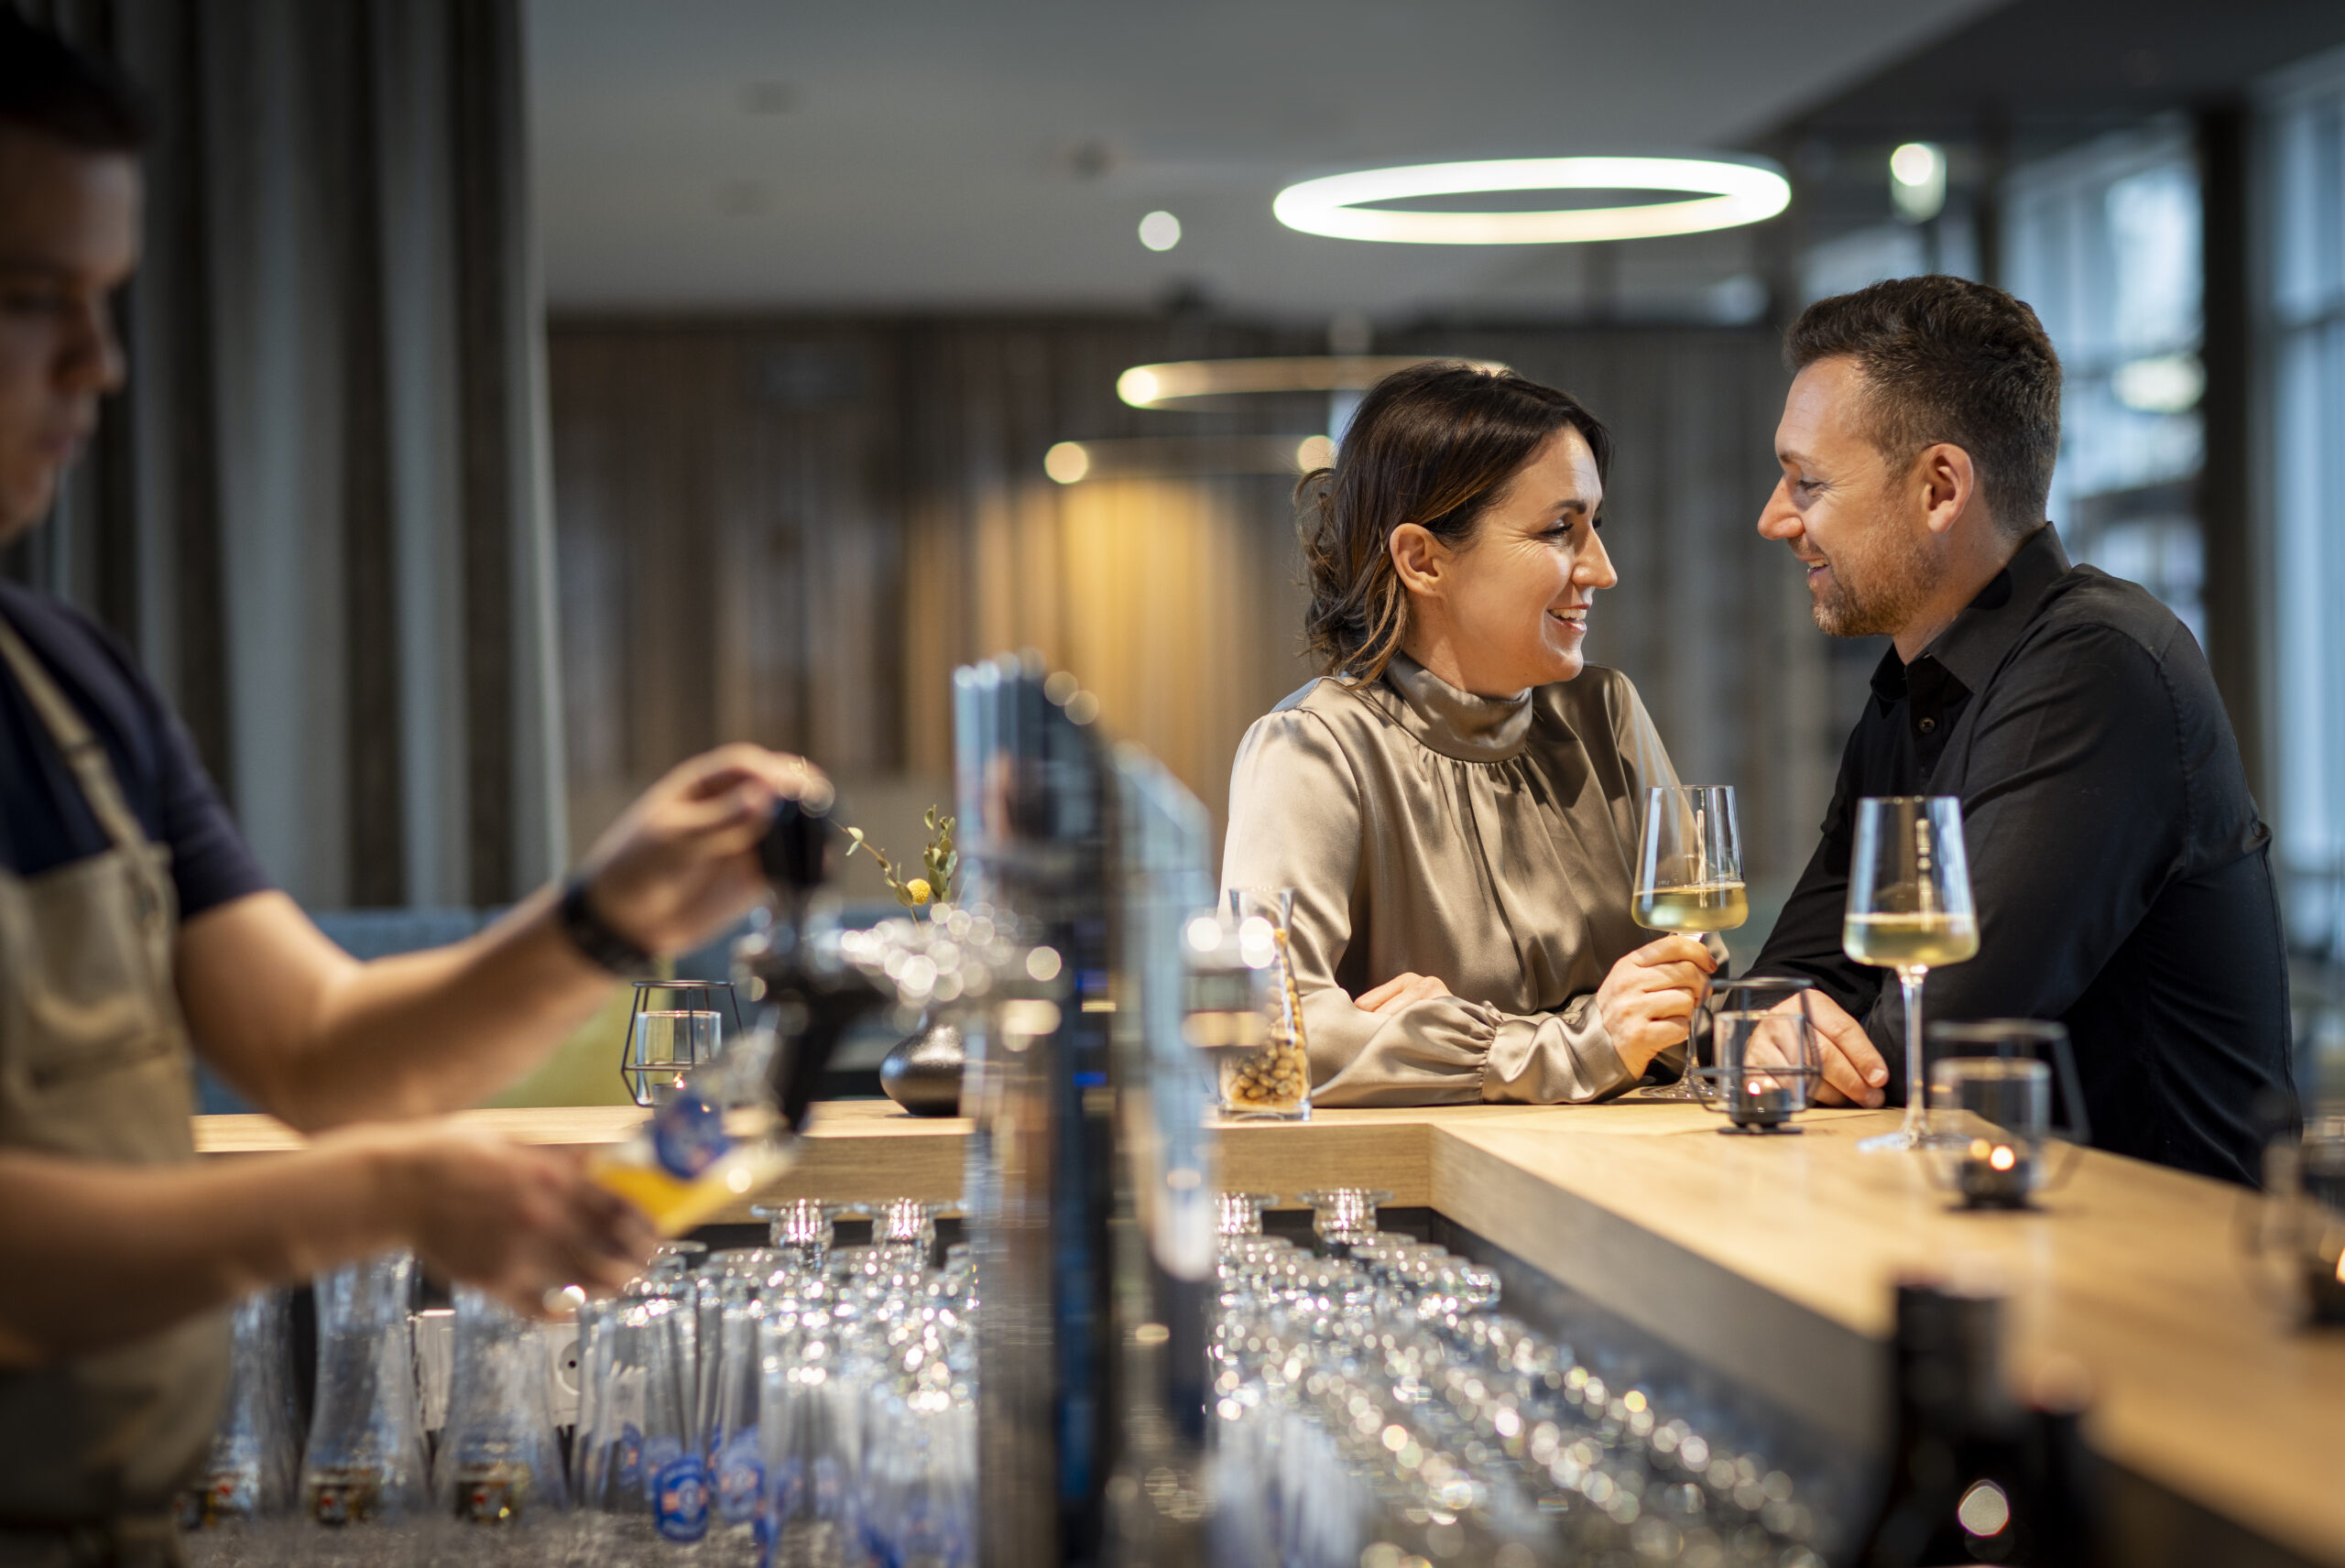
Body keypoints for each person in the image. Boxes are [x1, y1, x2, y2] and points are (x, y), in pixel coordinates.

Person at [0, 16, 821, 1554]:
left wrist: (610, 908)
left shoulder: (68, 687)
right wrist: (377, 1195)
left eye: (104, 306)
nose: (96, 367)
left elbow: (319, 1050)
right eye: (31, 300)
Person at [1750, 274, 2294, 1184]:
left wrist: (1800, 1037)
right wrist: (1776, 1028)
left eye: (1808, 481)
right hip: (1997, 1232)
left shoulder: (2101, 662)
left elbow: (1927, 1042)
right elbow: (1782, 988)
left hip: (2167, 1279)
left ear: (1939, 488)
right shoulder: (1908, 690)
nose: (1775, 517)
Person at [1220, 361, 1733, 1107]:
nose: (1603, 569)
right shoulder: (1312, 750)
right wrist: (1579, 1044)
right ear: (1423, 560)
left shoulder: (1608, 715)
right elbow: (1261, 1040)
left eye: (1596, 526)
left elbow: (1696, 996)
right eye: (1561, 530)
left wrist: (1438, 1038)